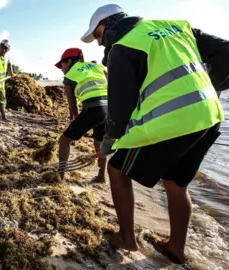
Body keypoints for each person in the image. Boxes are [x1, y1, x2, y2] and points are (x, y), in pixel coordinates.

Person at [81, 4, 228, 264]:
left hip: (171, 121)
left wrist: (110, 140)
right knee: (175, 183)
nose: (98, 42)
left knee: (117, 170)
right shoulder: (176, 27)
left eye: (97, 35)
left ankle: (126, 238)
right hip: (209, 116)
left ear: (108, 25)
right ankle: (176, 249)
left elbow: (120, 106)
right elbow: (226, 51)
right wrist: (213, 85)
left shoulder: (123, 47)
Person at [55, 48, 108, 183]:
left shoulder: (69, 76)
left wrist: (74, 119)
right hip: (109, 108)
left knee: (64, 141)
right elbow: (110, 82)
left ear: (70, 61)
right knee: (100, 143)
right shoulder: (97, 66)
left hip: (93, 109)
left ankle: (60, 177)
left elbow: (72, 104)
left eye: (62, 64)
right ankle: (101, 177)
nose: (62, 69)